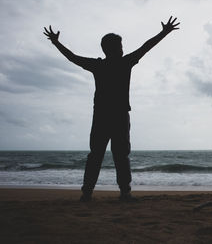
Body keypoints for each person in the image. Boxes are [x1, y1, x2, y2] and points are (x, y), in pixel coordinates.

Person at [43, 16, 180, 202]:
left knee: (97, 156)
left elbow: (73, 58)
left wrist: (56, 43)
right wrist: (164, 32)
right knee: (120, 156)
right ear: (114, 49)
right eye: (121, 46)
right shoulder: (124, 62)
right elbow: (146, 47)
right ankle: (124, 193)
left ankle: (88, 194)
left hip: (101, 116)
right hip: (119, 116)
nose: (123, 49)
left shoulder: (99, 65)